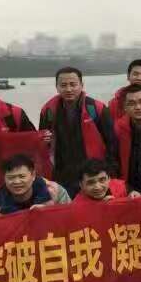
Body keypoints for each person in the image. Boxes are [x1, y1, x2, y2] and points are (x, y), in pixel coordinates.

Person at [39, 67, 117, 197]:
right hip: (63, 174)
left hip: (93, 174)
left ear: (81, 85)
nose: (69, 89)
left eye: (73, 84)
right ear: (57, 87)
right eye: (63, 85)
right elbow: (43, 144)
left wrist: (111, 173)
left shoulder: (96, 108)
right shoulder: (48, 111)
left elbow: (112, 143)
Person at [0, 154, 71, 218]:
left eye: (22, 176)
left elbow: (71, 218)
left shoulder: (56, 192)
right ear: (4, 178)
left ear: (33, 175)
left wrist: (49, 213)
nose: (17, 182)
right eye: (11, 178)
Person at [73, 158, 138, 202]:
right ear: (81, 185)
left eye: (102, 180)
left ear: (109, 179)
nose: (98, 187)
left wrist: (136, 195)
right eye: (91, 182)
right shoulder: (76, 206)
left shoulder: (122, 187)